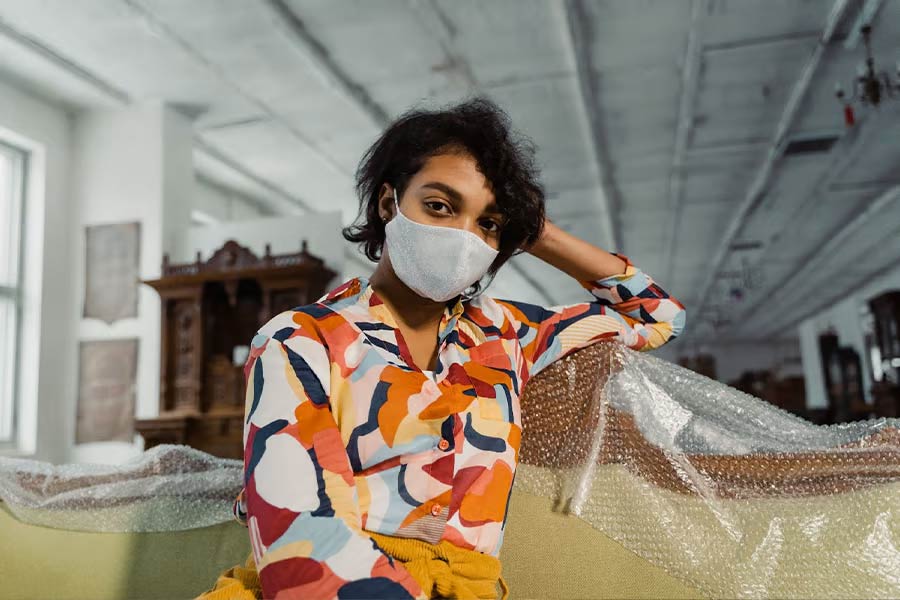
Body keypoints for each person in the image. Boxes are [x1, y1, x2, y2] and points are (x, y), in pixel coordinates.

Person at [203, 97, 686, 599]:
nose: (463, 236)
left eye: (488, 223)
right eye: (440, 205)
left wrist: (537, 232)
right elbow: (299, 537)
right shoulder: (301, 338)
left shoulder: (506, 336)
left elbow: (658, 317)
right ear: (390, 203)